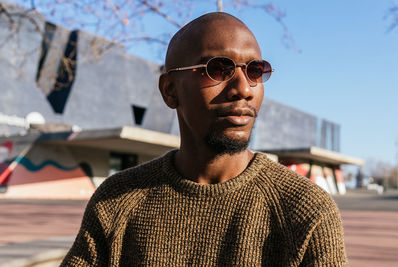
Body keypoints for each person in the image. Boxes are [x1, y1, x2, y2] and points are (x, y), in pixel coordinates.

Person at [61, 12, 348, 266]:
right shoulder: (117, 201)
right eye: (218, 69)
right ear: (170, 90)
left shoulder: (305, 211)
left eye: (254, 70)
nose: (243, 89)